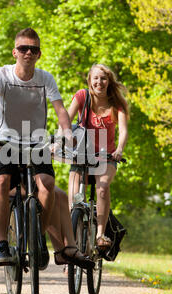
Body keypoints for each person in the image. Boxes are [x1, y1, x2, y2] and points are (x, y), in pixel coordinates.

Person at [0, 74, 93, 269]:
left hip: (22, 172)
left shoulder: (9, 112)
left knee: (59, 196)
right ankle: (29, 241)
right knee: (30, 194)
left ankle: (64, 249)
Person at [0, 28, 73, 268]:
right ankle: (2, 244)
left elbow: (60, 109)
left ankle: (39, 237)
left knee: (48, 184)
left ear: (39, 54)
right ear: (15, 52)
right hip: (3, 139)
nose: (28, 53)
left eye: (33, 49)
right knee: (1, 182)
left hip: (35, 141)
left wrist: (68, 133)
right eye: (23, 48)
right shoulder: (0, 74)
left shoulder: (45, 78)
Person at [67, 63, 129, 251]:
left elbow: (124, 130)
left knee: (102, 189)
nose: (99, 82)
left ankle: (101, 234)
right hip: (81, 155)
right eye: (95, 78)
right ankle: (72, 244)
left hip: (106, 157)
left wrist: (119, 149)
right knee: (74, 199)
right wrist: (59, 142)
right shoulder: (82, 97)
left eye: (103, 78)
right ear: (90, 80)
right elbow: (65, 121)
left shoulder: (117, 104)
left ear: (109, 81)